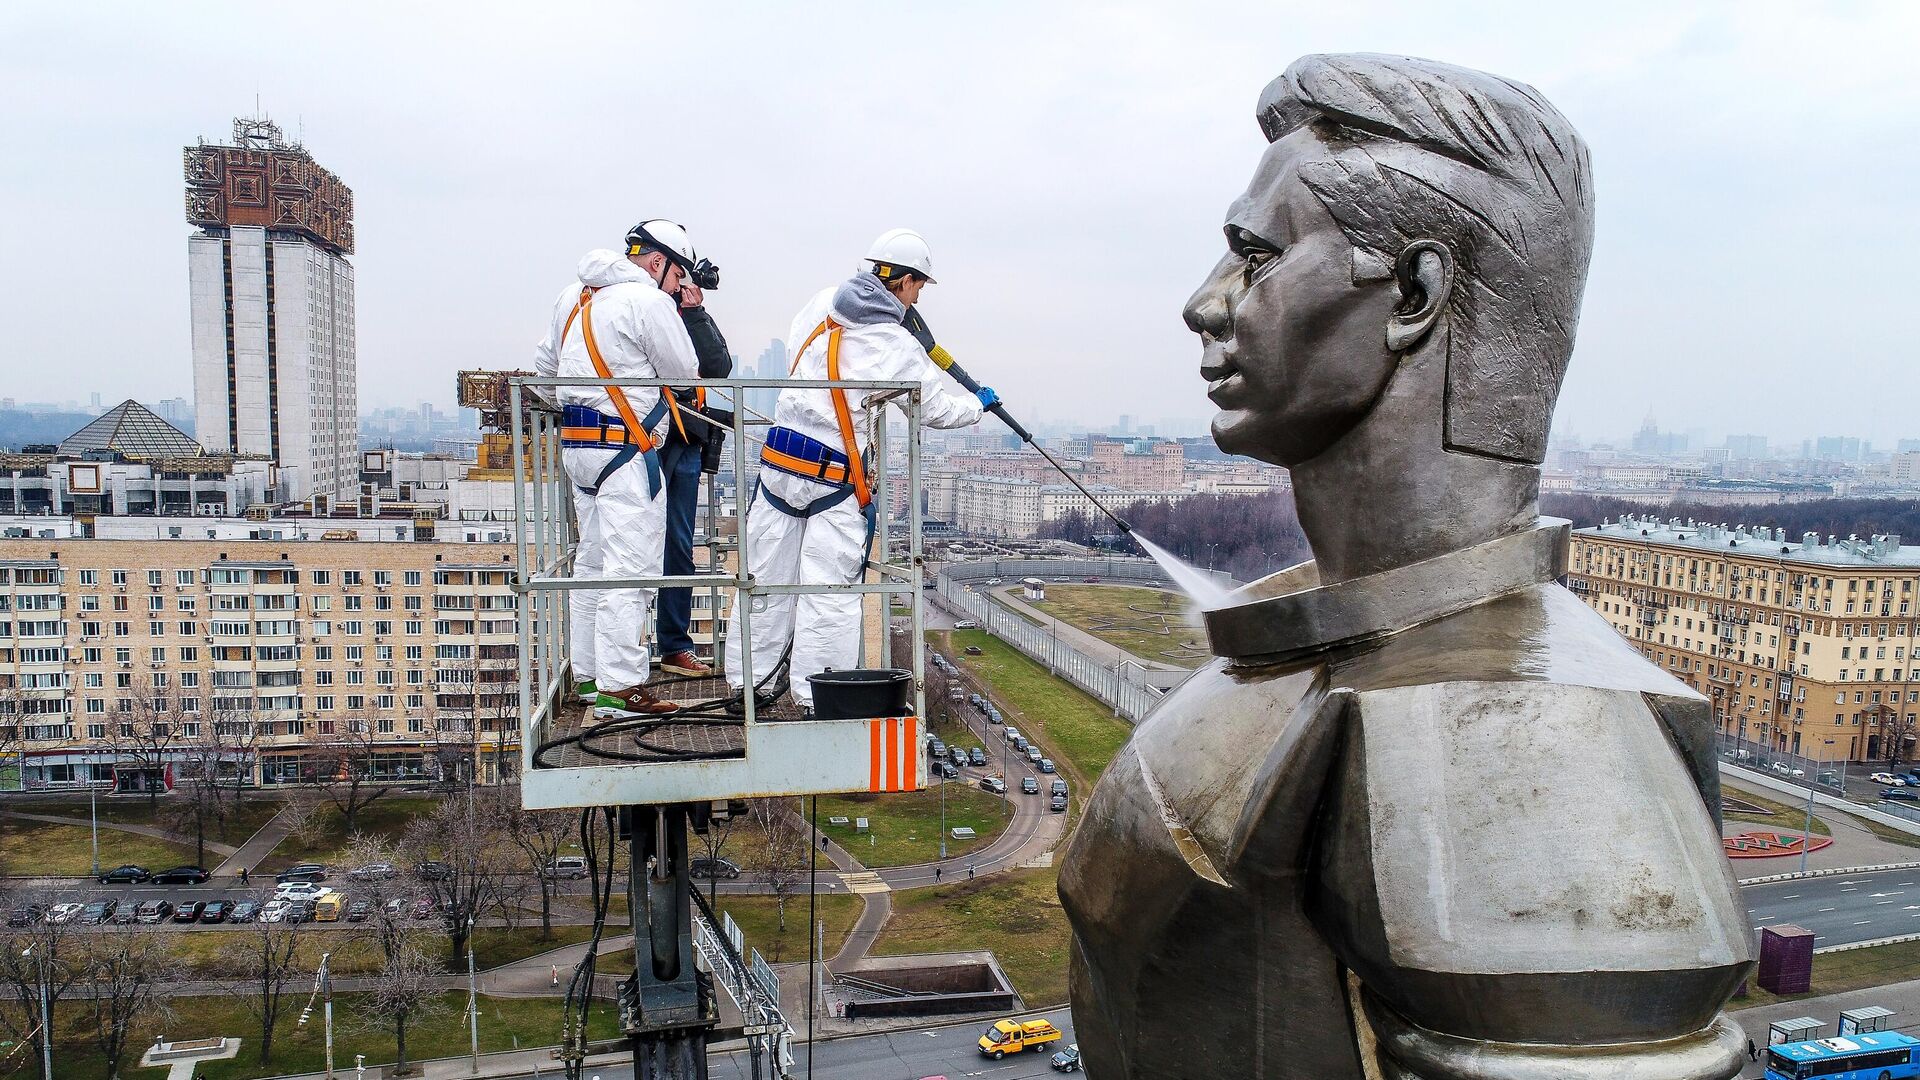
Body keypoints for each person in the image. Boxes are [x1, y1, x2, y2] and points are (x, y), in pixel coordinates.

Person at [1060, 54, 1748, 1080]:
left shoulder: (1516, 737)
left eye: (1256, 257)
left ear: (1415, 294)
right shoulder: (1342, 657)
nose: (1204, 306)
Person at [723, 230, 990, 711]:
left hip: (778, 463)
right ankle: (814, 696)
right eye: (919, 288)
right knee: (829, 593)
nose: (918, 298)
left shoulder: (820, 305)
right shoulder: (892, 342)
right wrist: (978, 405)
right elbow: (933, 408)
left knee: (765, 581)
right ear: (904, 281)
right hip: (832, 475)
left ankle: (751, 682)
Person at [533, 220, 703, 718]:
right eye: (676, 277)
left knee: (591, 564)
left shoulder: (574, 296)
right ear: (658, 262)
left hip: (579, 449)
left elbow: (545, 373)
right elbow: (684, 372)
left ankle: (588, 677)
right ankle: (622, 687)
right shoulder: (647, 301)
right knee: (630, 571)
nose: (677, 287)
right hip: (626, 451)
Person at [655, 280, 733, 678]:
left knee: (678, 546)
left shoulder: (684, 312)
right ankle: (619, 657)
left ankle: (673, 645)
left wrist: (694, 313)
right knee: (625, 550)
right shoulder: (641, 307)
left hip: (683, 438)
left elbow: (718, 367)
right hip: (643, 437)